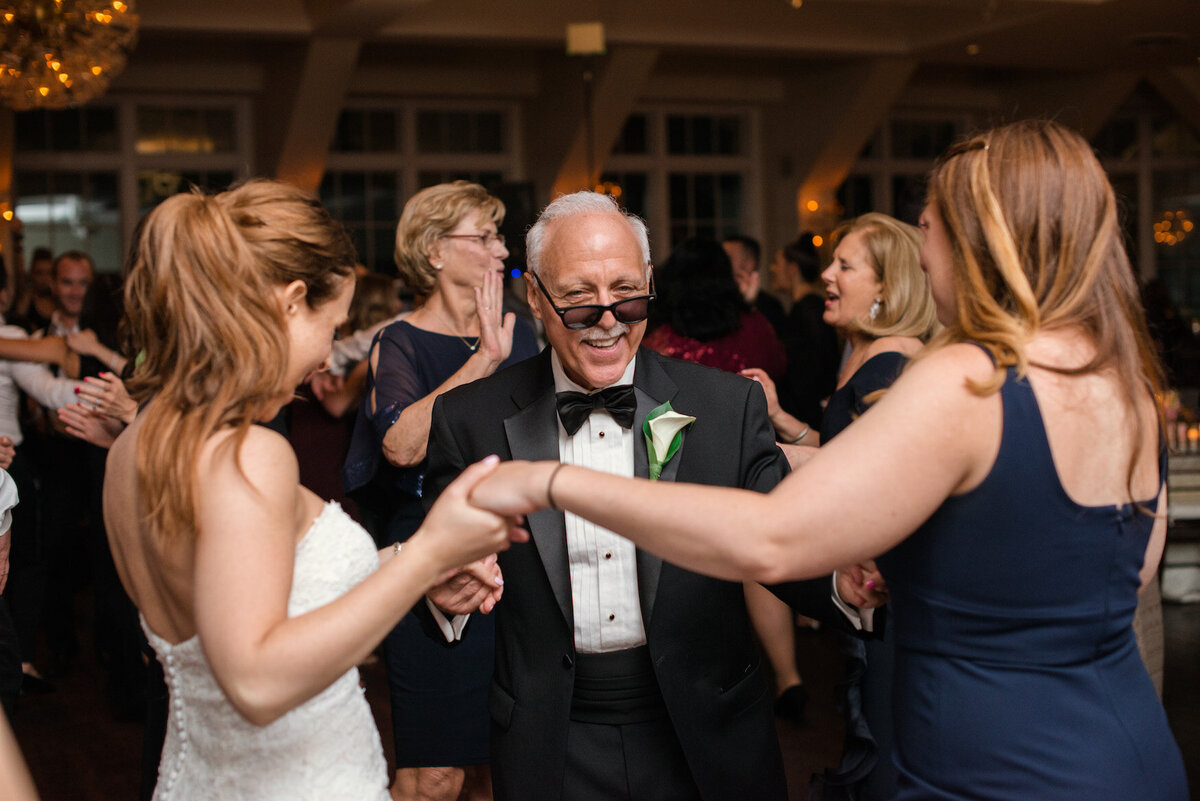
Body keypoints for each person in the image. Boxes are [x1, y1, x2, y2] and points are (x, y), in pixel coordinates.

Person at [468, 120, 1190, 801]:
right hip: (1126, 744)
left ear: (979, 242)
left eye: (930, 231)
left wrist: (555, 478)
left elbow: (770, 537)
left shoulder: (966, 376)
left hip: (998, 758)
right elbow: (1126, 569)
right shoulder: (1128, 383)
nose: (923, 251)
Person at [424, 191, 881, 801]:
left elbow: (782, 541)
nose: (609, 318)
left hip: (708, 732)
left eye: (627, 293)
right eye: (580, 299)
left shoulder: (724, 407)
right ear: (534, 295)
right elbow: (443, 574)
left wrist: (838, 585)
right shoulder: (469, 419)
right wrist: (444, 596)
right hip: (551, 741)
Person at [103, 179, 522, 801]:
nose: (328, 358)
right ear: (291, 303)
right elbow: (257, 680)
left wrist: (408, 563)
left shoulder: (135, 444)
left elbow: (264, 592)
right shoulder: (251, 453)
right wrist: (429, 554)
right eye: (333, 325)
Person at [342, 181, 538, 801]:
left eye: (500, 236)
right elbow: (400, 446)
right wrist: (483, 358)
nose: (500, 250)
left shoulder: (528, 334)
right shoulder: (399, 341)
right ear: (433, 251)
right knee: (434, 774)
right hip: (434, 566)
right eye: (482, 237)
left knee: (500, 768)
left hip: (523, 558)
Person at [749, 212, 938, 799]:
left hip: (890, 596)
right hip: (870, 591)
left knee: (891, 753)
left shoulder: (894, 364)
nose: (826, 273)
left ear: (887, 287)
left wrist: (750, 455)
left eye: (845, 265)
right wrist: (787, 426)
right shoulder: (866, 352)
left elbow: (878, 483)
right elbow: (848, 454)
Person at [643, 236, 808, 721]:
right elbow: (777, 368)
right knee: (757, 563)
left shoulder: (661, 338)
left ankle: (686, 679)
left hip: (678, 458)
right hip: (743, 451)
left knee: (677, 568)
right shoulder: (755, 328)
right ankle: (789, 676)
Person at [770, 235, 840, 430]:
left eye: (777, 263)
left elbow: (817, 369)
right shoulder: (803, 307)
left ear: (793, 268)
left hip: (810, 420)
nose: (772, 269)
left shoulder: (810, 309)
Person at [722, 234, 786, 334]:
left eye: (728, 257)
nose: (721, 262)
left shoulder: (769, 307)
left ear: (750, 264)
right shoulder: (719, 302)